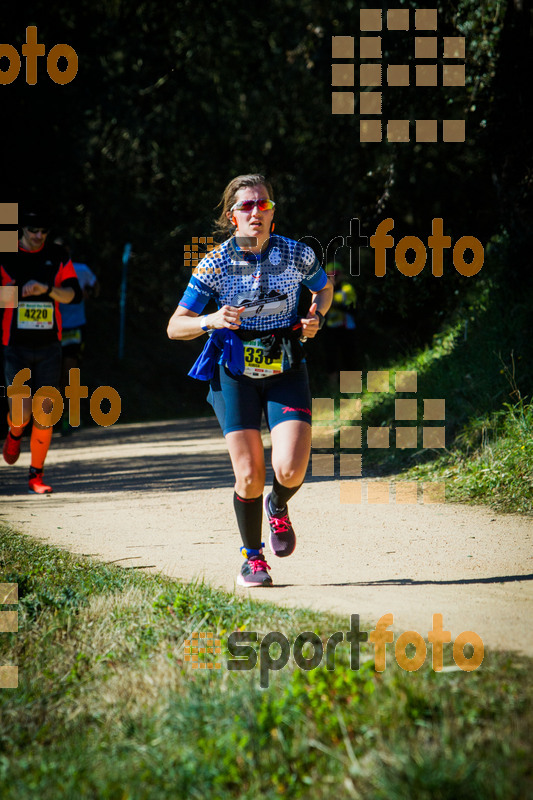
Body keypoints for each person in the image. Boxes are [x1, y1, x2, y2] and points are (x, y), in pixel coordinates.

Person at [167, 174, 333, 586]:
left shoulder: (298, 254)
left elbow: (324, 288)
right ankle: (253, 558)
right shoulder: (215, 263)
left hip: (286, 369)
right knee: (248, 475)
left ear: (273, 210)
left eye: (264, 204)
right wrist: (210, 319)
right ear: (231, 216)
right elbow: (175, 327)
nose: (256, 212)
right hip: (234, 373)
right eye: (247, 206)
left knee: (291, 470)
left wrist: (317, 317)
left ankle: (277, 506)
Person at [1, 210, 82, 493]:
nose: (38, 237)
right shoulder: (6, 254)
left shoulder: (57, 255)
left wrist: (47, 289)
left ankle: (36, 476)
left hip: (49, 347)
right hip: (15, 346)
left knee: (46, 412)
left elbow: (73, 294)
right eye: (33, 231)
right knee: (22, 414)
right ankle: (14, 432)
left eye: (43, 232)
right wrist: (19, 291)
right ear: (22, 229)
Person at [55, 239, 99, 435]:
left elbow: (96, 287)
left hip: (74, 328)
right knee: (50, 375)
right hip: (49, 330)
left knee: (69, 372)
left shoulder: (81, 269)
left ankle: (70, 417)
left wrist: (89, 294)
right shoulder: (44, 269)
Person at [323, 264, 357, 387]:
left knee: (349, 357)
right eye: (329, 276)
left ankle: (352, 386)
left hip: (347, 328)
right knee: (331, 358)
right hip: (331, 328)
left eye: (335, 275)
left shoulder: (347, 289)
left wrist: (333, 302)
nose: (333, 279)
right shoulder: (324, 290)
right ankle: (333, 389)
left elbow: (352, 308)